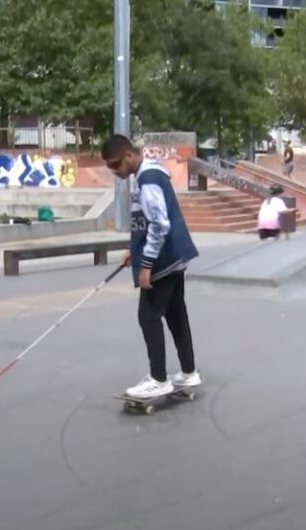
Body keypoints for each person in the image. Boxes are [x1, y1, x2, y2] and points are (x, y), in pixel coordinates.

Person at [102, 134, 202, 398]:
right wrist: (132, 251)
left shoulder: (147, 179)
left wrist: (145, 264)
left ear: (129, 155)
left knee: (148, 316)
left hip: (162, 260)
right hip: (173, 256)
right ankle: (188, 373)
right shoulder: (150, 175)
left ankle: (158, 378)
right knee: (176, 314)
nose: (115, 172)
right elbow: (146, 222)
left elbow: (159, 224)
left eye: (115, 165)